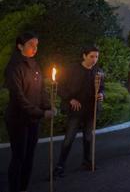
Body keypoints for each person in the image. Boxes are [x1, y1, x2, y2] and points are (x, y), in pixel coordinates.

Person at [4, 32, 53, 192]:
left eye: (36, 45)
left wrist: (48, 106)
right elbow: (19, 98)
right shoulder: (14, 68)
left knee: (30, 156)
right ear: (20, 46)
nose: (35, 48)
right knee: (19, 157)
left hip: (33, 120)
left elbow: (41, 90)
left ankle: (24, 187)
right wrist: (40, 113)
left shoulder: (34, 64)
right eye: (31, 45)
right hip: (18, 119)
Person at [54, 46, 105, 177]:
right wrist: (70, 99)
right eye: (91, 56)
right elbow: (60, 87)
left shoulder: (98, 71)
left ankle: (87, 162)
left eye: (96, 57)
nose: (94, 59)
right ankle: (60, 165)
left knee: (88, 137)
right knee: (69, 138)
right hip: (76, 110)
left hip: (91, 110)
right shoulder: (72, 69)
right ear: (84, 56)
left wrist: (101, 95)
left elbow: (102, 88)